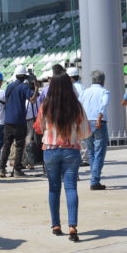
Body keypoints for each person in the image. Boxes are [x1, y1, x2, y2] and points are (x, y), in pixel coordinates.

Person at [34, 73, 91, 243]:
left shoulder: (45, 105)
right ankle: (72, 226)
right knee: (71, 187)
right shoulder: (77, 106)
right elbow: (86, 131)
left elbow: (38, 127)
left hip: (50, 149)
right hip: (71, 150)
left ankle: (56, 225)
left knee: (53, 188)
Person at [0, 65, 33, 178]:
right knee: (19, 145)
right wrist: (36, 87)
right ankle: (17, 169)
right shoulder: (25, 87)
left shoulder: (9, 86)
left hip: (8, 120)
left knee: (7, 146)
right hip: (19, 121)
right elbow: (32, 100)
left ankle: (2, 168)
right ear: (24, 76)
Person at [78, 70, 110, 190]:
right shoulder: (104, 91)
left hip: (86, 123)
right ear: (102, 80)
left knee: (91, 152)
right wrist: (100, 116)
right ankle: (95, 180)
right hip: (98, 122)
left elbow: (79, 106)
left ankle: (94, 177)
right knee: (99, 153)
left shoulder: (85, 92)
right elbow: (104, 104)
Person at [66, 67, 89, 167]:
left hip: (75, 113)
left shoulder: (73, 87)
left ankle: (83, 158)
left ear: (71, 78)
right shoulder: (81, 86)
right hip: (80, 113)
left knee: (78, 137)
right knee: (81, 137)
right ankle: (84, 157)